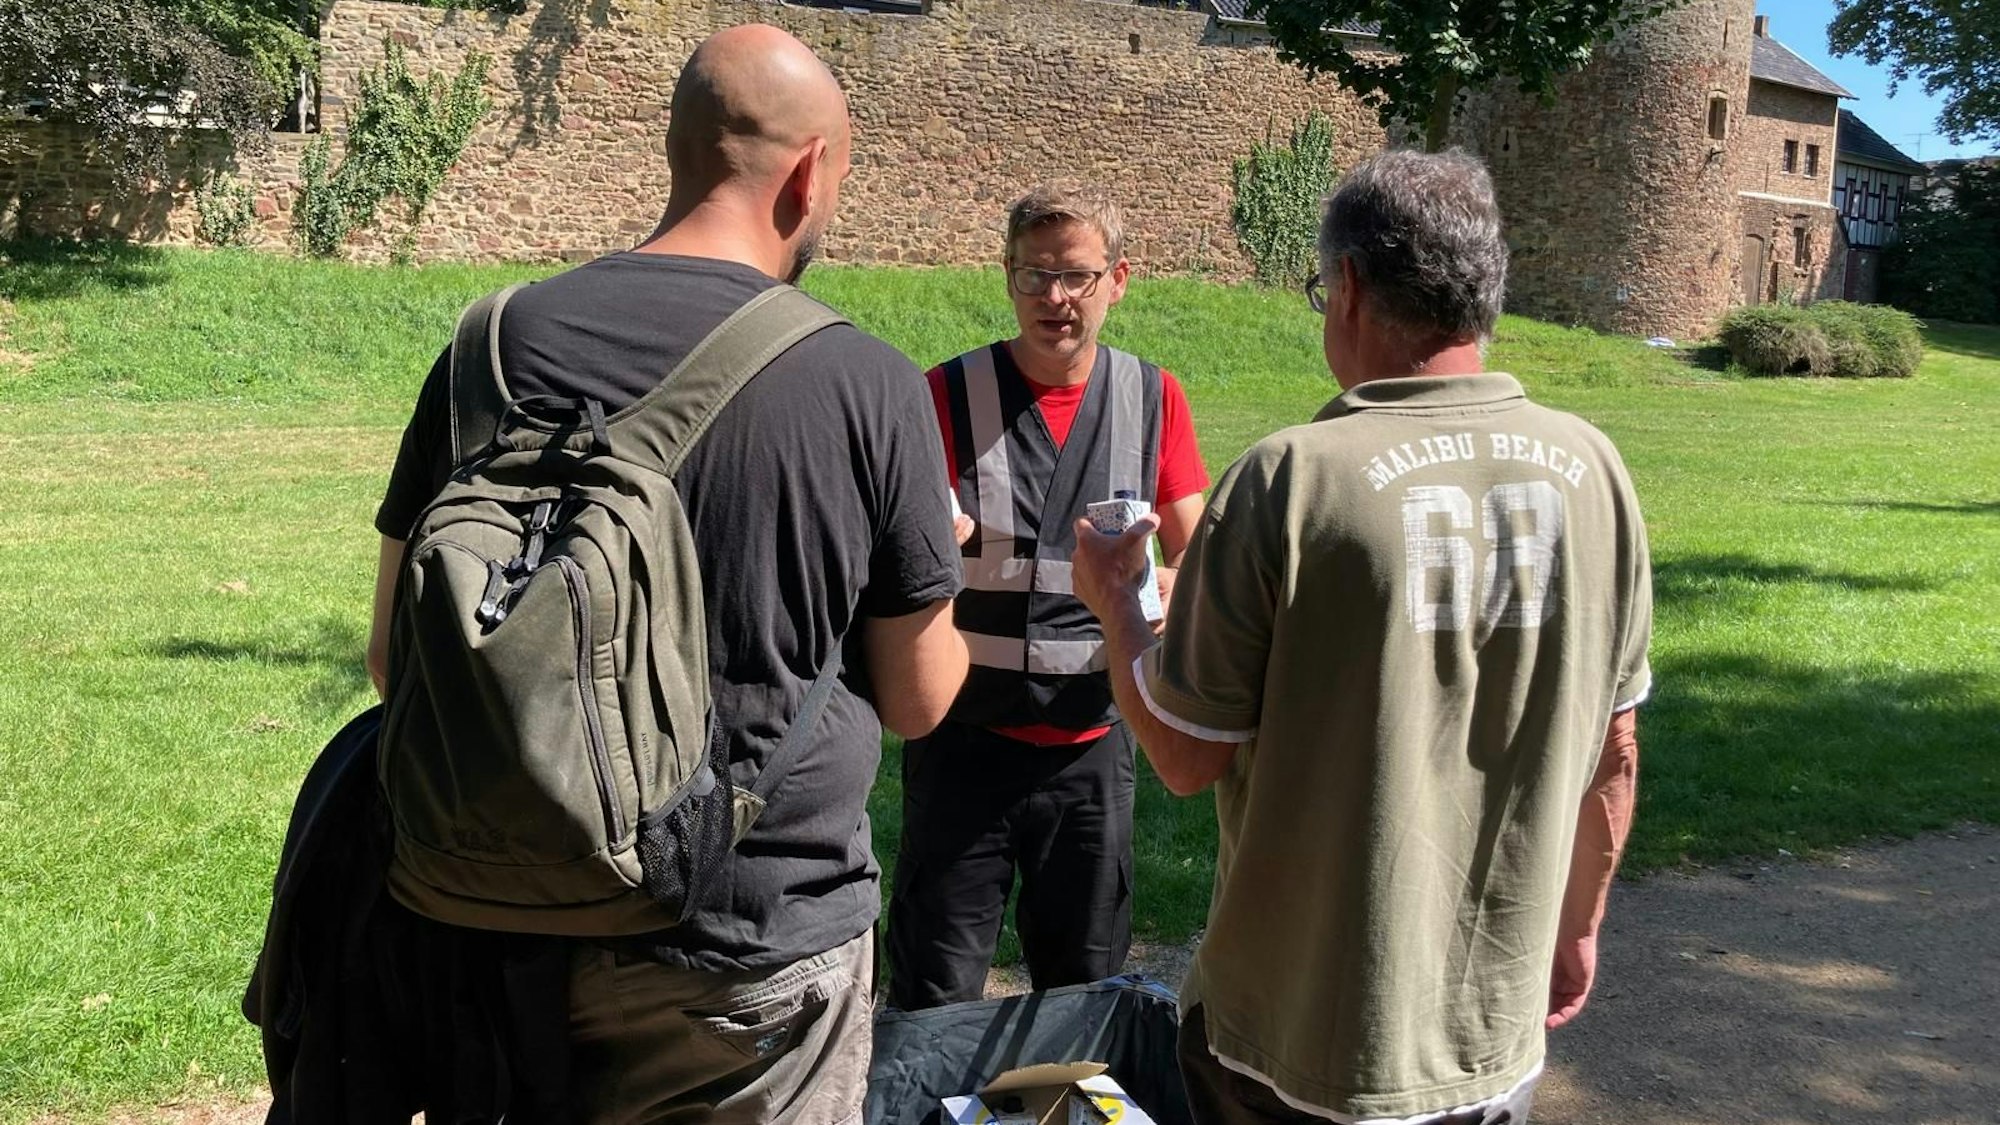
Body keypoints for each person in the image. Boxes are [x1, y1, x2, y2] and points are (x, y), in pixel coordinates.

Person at [363, 25, 969, 1123]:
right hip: (750, 946)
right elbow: (921, 701)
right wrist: (942, 558)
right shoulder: (864, 381)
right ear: (809, 171)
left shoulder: (486, 345)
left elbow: (388, 659)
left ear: (674, 146)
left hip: (495, 922)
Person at [1071, 149, 1653, 1125]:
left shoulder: (1290, 478)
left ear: (1344, 284)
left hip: (1298, 1043)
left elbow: (1180, 752)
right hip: (1489, 1032)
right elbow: (1614, 751)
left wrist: (1118, 600)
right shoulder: (1592, 470)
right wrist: (1576, 927)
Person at [884, 185, 1211, 1010]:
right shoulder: (944, 394)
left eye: (1076, 276)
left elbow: (1203, 564)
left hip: (1094, 745)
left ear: (1118, 280)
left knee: (1085, 988)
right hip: (964, 743)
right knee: (935, 987)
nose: (1054, 299)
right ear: (1007, 277)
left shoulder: (1154, 397)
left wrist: (1171, 587)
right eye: (1034, 276)